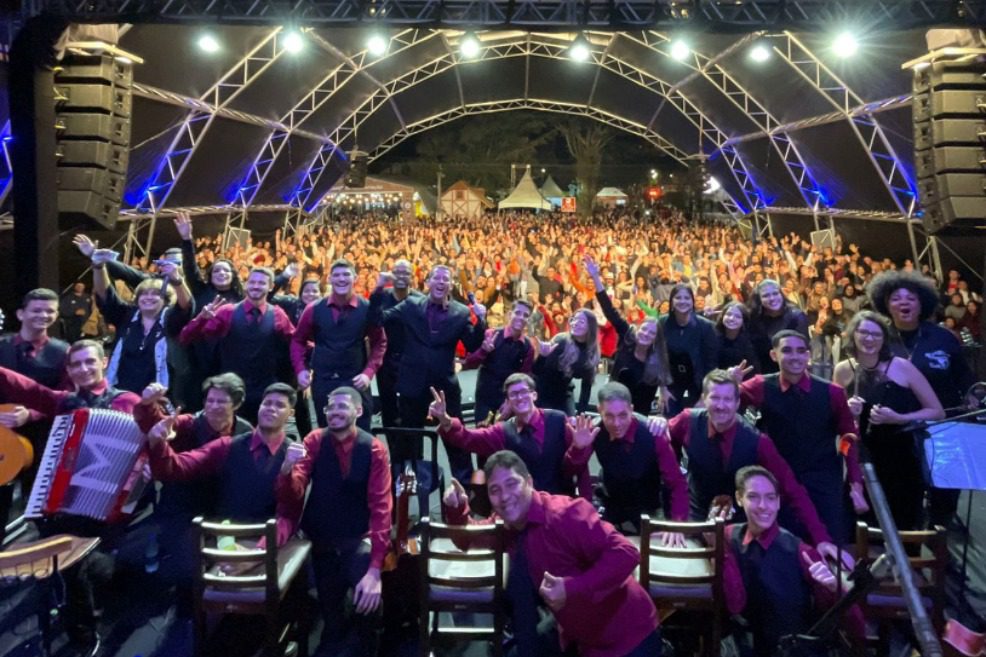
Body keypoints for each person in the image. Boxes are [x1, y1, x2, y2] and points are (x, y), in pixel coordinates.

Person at [444, 450, 663, 657]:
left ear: (529, 482)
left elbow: (627, 553)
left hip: (629, 638)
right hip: (581, 638)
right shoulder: (506, 523)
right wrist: (457, 508)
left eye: (512, 484)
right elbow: (470, 540)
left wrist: (571, 588)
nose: (504, 497)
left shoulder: (565, 514)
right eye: (495, 490)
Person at [0, 340, 141, 657]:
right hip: (71, 500)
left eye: (89, 362)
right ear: (69, 370)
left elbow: (150, 439)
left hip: (113, 503)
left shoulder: (127, 401)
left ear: (103, 362)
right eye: (75, 365)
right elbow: (29, 389)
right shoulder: (65, 402)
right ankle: (83, 632)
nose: (83, 369)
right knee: (68, 557)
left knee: (87, 566)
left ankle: (87, 618)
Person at [667, 370, 841, 561]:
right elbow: (663, 442)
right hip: (695, 516)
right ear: (703, 399)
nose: (721, 406)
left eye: (727, 399)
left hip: (739, 526)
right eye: (715, 398)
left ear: (737, 403)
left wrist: (821, 538)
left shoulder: (758, 442)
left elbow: (792, 488)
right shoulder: (687, 420)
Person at [274, 386, 392, 657]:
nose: (334, 412)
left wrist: (375, 569)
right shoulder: (314, 440)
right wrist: (286, 470)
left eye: (342, 406)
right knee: (330, 621)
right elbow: (294, 492)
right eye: (329, 407)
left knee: (369, 604)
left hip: (355, 539)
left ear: (358, 411)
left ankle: (368, 644)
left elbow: (381, 507)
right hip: (320, 540)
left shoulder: (374, 449)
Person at [730, 330, 865, 545]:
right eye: (787, 350)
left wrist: (855, 483)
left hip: (823, 480)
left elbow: (848, 438)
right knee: (780, 548)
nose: (795, 356)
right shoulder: (761, 386)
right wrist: (730, 385)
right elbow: (721, 405)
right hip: (778, 479)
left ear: (808, 355)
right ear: (774, 355)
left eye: (801, 351)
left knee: (829, 547)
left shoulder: (833, 392)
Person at [135, 374, 253, 615]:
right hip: (183, 503)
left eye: (221, 402)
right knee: (188, 571)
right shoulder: (190, 423)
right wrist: (148, 405)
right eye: (209, 401)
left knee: (229, 563)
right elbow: (159, 424)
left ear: (237, 405)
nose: (213, 407)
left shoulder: (244, 431)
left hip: (222, 504)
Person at [866, 270, 976, 526]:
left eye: (911, 298)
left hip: (944, 426)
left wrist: (976, 395)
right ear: (885, 303)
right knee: (904, 494)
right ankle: (904, 547)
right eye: (896, 298)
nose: (904, 302)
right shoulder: (877, 339)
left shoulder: (944, 337)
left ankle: (940, 546)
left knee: (945, 494)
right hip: (897, 431)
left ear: (922, 303)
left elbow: (964, 376)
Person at [720, 466, 865, 657]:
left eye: (771, 498)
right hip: (746, 646)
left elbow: (854, 625)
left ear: (779, 502)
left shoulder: (800, 552)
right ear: (739, 499)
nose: (763, 505)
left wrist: (833, 587)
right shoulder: (729, 535)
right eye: (753, 497)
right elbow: (734, 603)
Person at [369, 264, 487, 481]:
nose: (441, 282)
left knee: (455, 440)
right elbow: (378, 320)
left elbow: (472, 343)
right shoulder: (411, 304)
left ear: (451, 284)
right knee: (409, 441)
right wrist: (377, 291)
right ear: (428, 282)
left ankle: (466, 494)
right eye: (437, 278)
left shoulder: (460, 312)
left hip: (445, 386)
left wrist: (481, 321)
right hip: (412, 384)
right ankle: (407, 493)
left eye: (446, 279)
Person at [833, 311, 944, 530]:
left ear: (884, 339)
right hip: (863, 461)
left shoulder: (902, 366)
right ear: (853, 335)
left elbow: (936, 411)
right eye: (863, 332)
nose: (869, 338)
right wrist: (846, 411)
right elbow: (837, 422)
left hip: (901, 460)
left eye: (876, 334)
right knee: (861, 529)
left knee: (903, 525)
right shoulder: (843, 370)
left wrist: (900, 418)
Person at [145, 382, 297, 524]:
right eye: (267, 403)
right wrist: (158, 443)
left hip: (269, 539)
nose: (271, 408)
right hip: (223, 536)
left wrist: (287, 471)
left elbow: (291, 509)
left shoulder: (294, 454)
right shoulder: (228, 445)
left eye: (280, 405)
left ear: (290, 413)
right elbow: (178, 467)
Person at [430, 374, 592, 498]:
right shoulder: (502, 431)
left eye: (523, 392)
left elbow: (577, 469)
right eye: (513, 394)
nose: (519, 397)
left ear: (534, 395)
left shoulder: (558, 420)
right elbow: (468, 438)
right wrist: (445, 419)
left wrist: (587, 509)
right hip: (522, 511)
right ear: (507, 401)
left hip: (560, 505)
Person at [568, 382, 688, 534]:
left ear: (631, 410)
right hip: (610, 503)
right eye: (609, 416)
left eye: (623, 415)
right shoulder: (593, 431)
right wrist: (577, 449)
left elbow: (677, 483)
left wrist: (678, 526)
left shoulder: (653, 434)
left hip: (648, 508)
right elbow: (573, 472)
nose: (616, 423)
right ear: (599, 411)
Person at [179, 267, 295, 424]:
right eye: (252, 282)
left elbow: (296, 342)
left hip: (263, 390)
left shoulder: (277, 314)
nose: (255, 286)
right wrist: (201, 318)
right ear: (246, 284)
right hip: (230, 390)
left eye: (261, 283)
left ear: (270, 286)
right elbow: (186, 338)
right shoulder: (227, 311)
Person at [292, 259, 387, 432]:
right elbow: (298, 340)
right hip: (324, 381)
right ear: (329, 279)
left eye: (346, 274)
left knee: (360, 436)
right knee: (327, 434)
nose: (341, 279)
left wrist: (368, 373)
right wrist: (301, 369)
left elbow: (379, 342)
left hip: (356, 381)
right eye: (336, 275)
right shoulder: (313, 309)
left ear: (355, 278)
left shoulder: (367, 308)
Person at [91, 247, 192, 396]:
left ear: (166, 300)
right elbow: (105, 294)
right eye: (143, 294)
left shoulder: (171, 319)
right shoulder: (126, 316)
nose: (148, 297)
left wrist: (177, 280)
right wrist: (98, 266)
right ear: (137, 299)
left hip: (159, 397)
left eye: (156, 294)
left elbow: (187, 306)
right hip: (121, 394)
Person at [585, 255, 671, 415]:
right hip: (615, 404)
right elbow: (609, 310)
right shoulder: (627, 336)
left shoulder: (658, 355)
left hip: (640, 410)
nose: (646, 334)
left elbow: (663, 374)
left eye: (652, 333)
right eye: (644, 329)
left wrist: (664, 389)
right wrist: (595, 277)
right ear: (638, 328)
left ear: (655, 339)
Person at [462, 300, 537, 425]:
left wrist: (509, 404)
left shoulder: (528, 347)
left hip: (509, 400)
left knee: (506, 441)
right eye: (517, 313)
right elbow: (469, 363)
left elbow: (524, 379)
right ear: (509, 314)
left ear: (528, 320)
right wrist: (483, 351)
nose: (521, 318)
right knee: (482, 438)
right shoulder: (491, 334)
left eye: (525, 315)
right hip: (485, 397)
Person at [375, 258, 422, 428]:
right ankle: (394, 454)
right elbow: (373, 321)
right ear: (391, 274)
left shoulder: (420, 300)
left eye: (406, 273)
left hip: (412, 362)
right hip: (386, 361)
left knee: (413, 411)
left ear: (413, 277)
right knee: (389, 410)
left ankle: (414, 454)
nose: (401, 276)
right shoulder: (382, 297)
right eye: (397, 272)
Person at [661, 283, 717, 417]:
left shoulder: (706, 327)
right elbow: (659, 358)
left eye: (687, 298)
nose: (682, 301)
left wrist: (705, 395)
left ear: (692, 301)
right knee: (671, 421)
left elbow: (711, 364)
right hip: (671, 383)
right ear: (671, 302)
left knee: (695, 424)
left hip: (698, 384)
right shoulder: (662, 323)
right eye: (678, 298)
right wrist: (662, 389)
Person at [533, 308, 598, 416]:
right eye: (574, 319)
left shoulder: (591, 351)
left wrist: (580, 415)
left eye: (581, 321)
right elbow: (537, 371)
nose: (575, 323)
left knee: (569, 425)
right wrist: (542, 356)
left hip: (563, 393)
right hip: (542, 390)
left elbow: (586, 387)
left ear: (590, 327)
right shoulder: (561, 340)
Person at [0, 288, 69, 389]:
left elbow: (67, 394)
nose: (44, 315)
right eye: (36, 311)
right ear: (20, 314)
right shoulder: (2, 346)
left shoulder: (63, 351)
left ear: (56, 315)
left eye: (50, 311)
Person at [747, 279, 809, 375]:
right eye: (766, 296)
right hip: (761, 373)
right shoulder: (754, 318)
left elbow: (802, 349)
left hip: (789, 372)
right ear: (759, 299)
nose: (772, 298)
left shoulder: (796, 316)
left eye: (775, 293)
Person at [715, 301, 759, 372]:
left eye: (738, 317)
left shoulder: (751, 340)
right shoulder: (712, 336)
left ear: (744, 321)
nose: (732, 318)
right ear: (722, 316)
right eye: (728, 314)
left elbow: (754, 368)